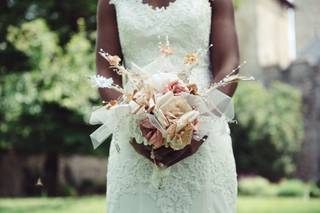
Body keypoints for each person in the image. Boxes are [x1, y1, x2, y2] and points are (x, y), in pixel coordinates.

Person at [96, 0, 240, 212]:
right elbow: (105, 73)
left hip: (206, 131)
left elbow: (229, 63)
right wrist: (133, 127)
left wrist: (200, 127)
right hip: (134, 135)